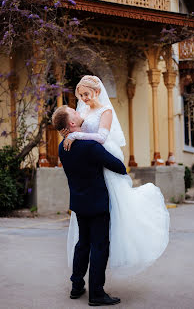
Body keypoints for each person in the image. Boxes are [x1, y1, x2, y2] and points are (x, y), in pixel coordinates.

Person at [60, 75, 170, 273]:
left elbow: (102, 137)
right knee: (89, 236)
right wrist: (69, 133)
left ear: (97, 91)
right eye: (80, 95)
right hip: (90, 161)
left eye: (86, 94)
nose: (83, 99)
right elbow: (74, 126)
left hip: (101, 153)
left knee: (108, 214)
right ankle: (94, 287)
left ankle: (81, 282)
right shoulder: (82, 111)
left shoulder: (106, 111)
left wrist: (76, 135)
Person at [52, 105, 126, 306]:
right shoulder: (90, 147)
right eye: (74, 112)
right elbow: (119, 167)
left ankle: (77, 286)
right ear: (72, 123)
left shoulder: (62, 147)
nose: (79, 112)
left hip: (78, 202)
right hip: (97, 204)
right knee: (100, 246)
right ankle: (96, 293)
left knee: (82, 243)